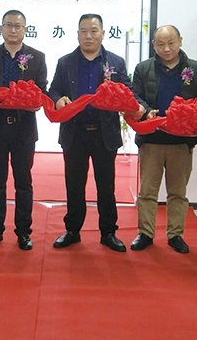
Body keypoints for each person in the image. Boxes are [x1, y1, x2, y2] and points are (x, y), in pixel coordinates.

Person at [48, 14, 142, 252]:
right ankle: (72, 230)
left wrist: (139, 106)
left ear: (103, 33)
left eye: (93, 31)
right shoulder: (65, 62)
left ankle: (108, 232)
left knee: (106, 186)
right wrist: (58, 99)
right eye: (83, 31)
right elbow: (54, 89)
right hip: (74, 132)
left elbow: (127, 90)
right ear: (77, 34)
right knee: (74, 185)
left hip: (104, 133)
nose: (88, 36)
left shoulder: (115, 62)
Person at [0, 10, 47, 250]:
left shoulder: (37, 57)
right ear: (1, 29)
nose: (13, 30)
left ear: (26, 30)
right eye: (9, 25)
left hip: (24, 129)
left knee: (24, 182)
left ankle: (24, 232)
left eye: (18, 26)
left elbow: (42, 91)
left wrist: (35, 101)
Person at [129, 25, 197, 254]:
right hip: (151, 140)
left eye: (171, 43)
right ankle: (145, 233)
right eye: (161, 44)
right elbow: (135, 95)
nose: (166, 49)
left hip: (181, 142)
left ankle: (175, 235)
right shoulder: (144, 68)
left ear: (180, 41)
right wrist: (146, 110)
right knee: (147, 192)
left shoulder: (194, 68)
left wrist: (192, 115)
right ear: (153, 44)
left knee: (178, 193)